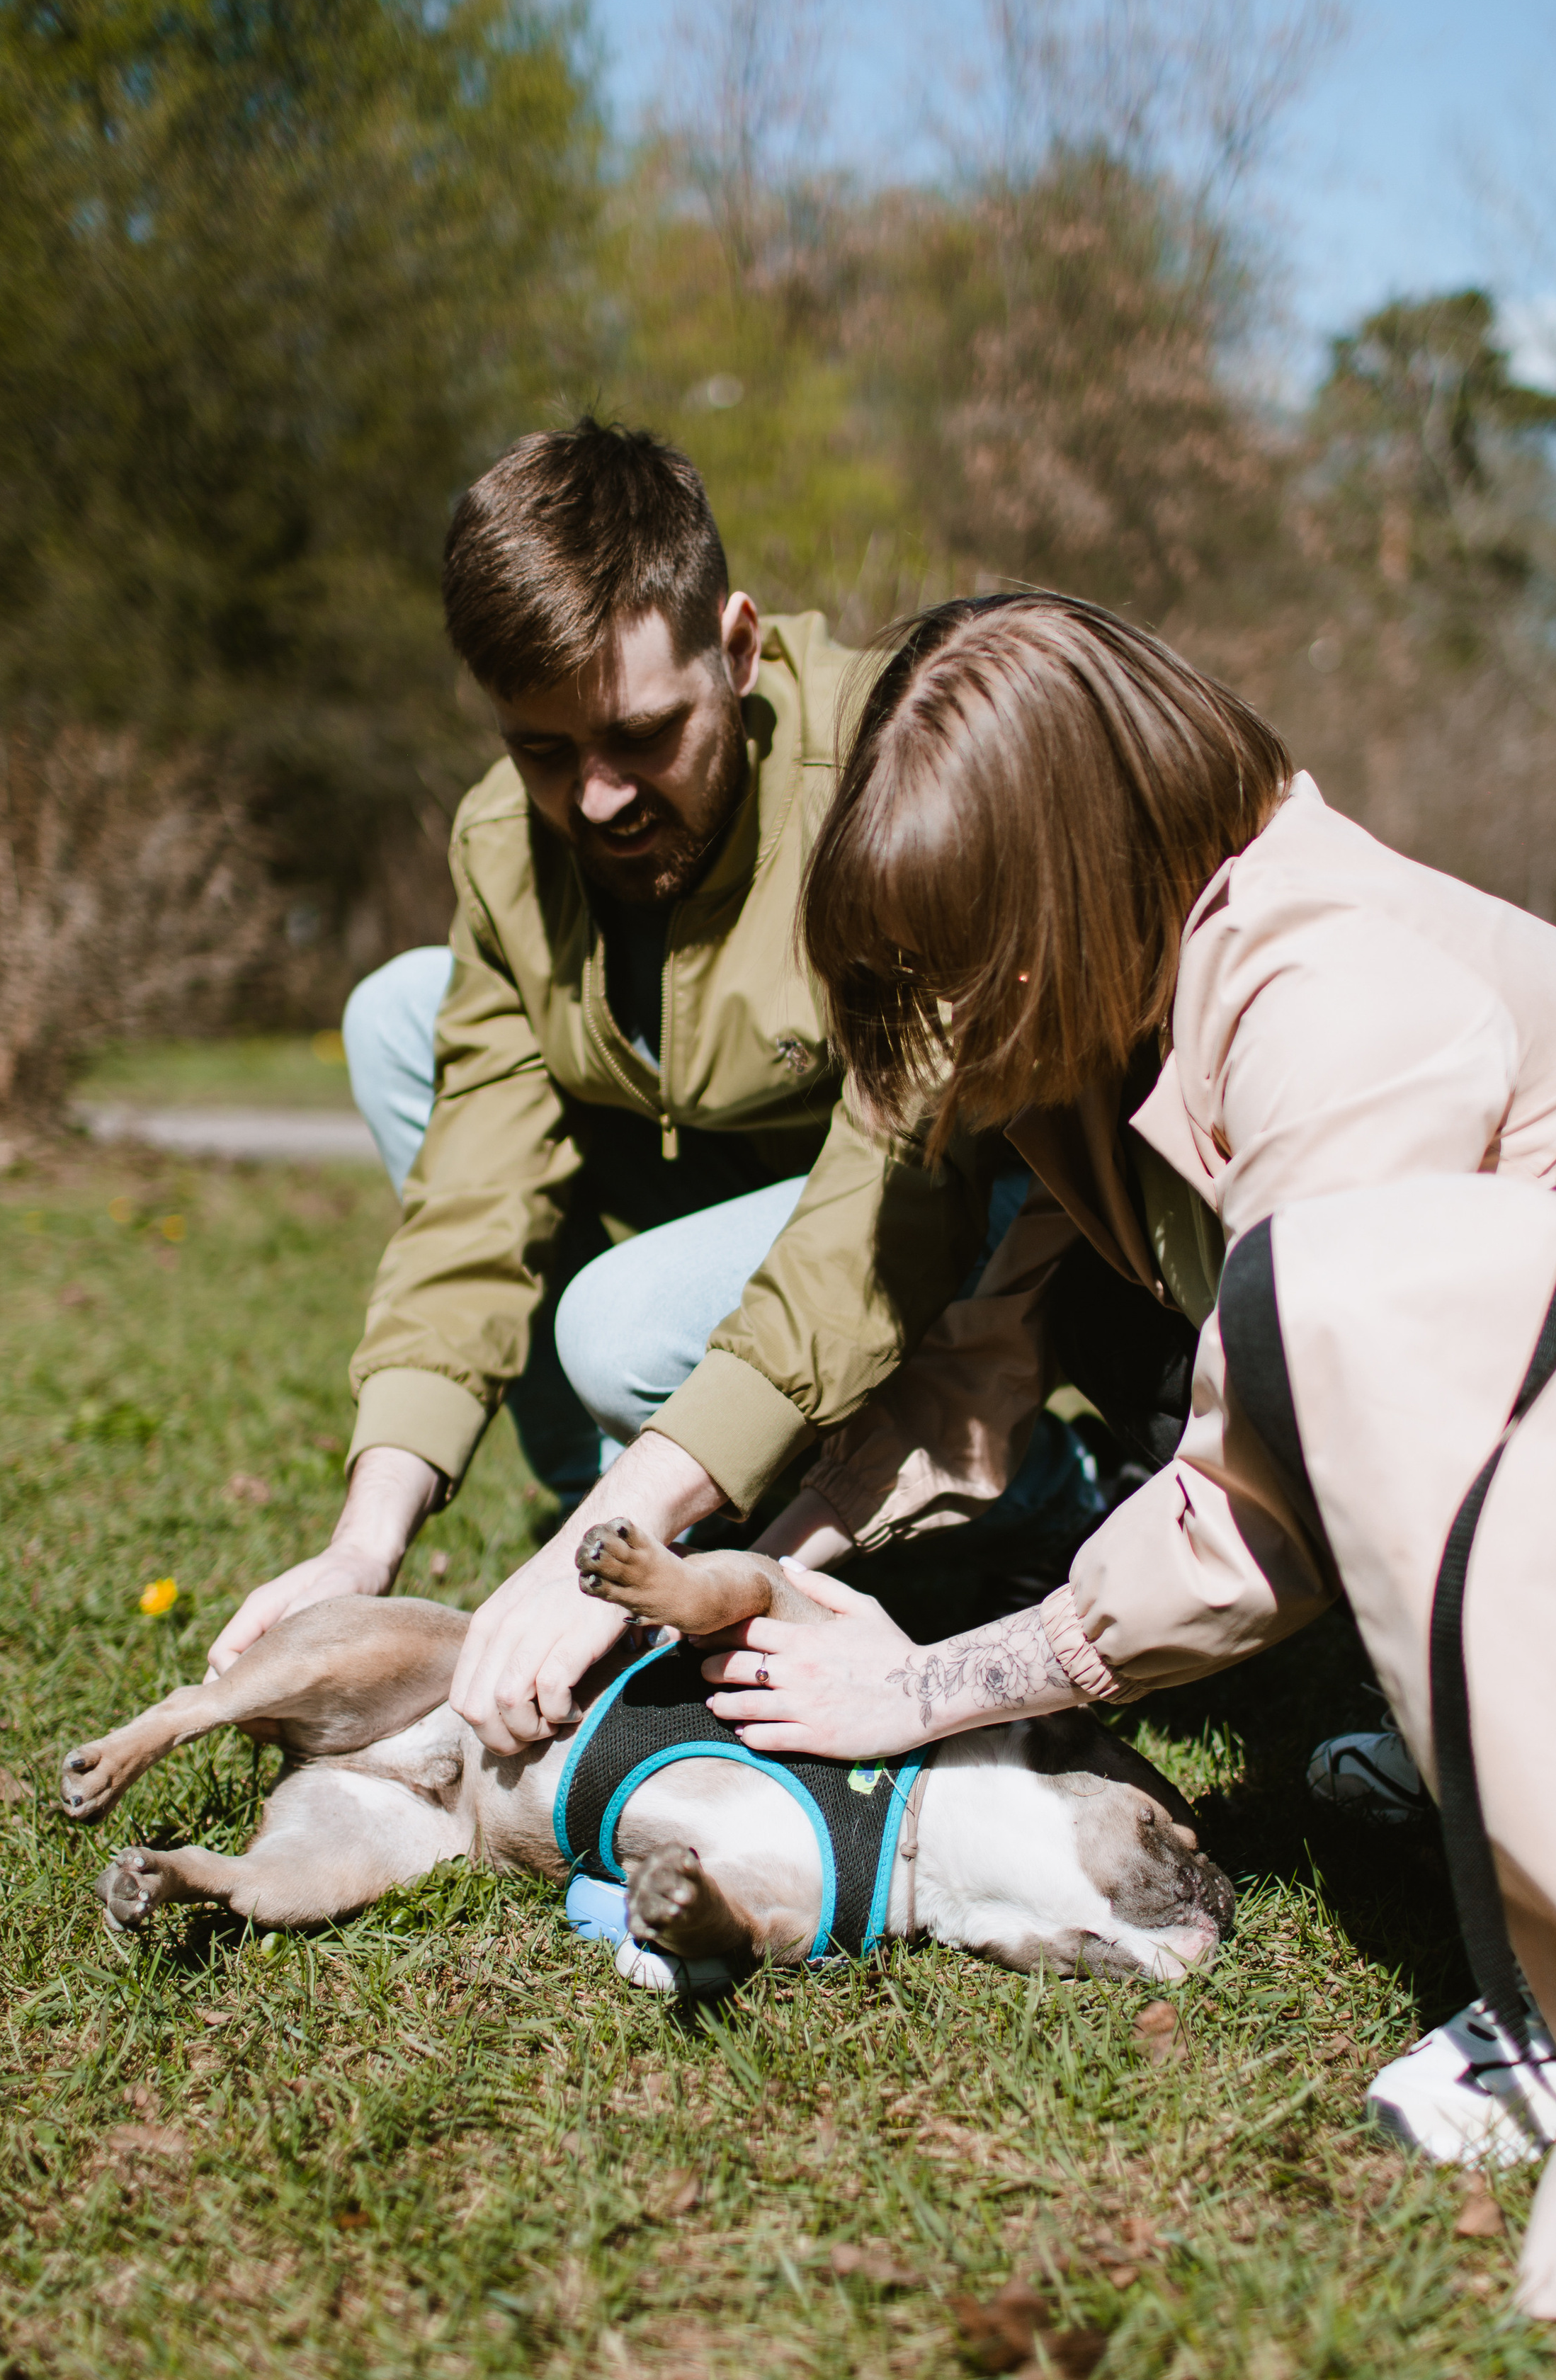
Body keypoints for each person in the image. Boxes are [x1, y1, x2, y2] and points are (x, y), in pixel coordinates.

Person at [694, 587, 1556, 2173]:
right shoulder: (1102, 1007)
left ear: (1067, 882)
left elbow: (1264, 1507)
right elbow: (966, 1373)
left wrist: (914, 1692)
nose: (943, 1021)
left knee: (1359, 1371)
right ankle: (1496, 1741)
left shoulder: (1334, 1012)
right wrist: (769, 1564)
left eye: (960, 961)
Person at [210, 424, 1086, 1737]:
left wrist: (642, 1509)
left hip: (946, 1188)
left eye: (640, 735)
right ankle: (612, 1519)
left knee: (615, 1330)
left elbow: (880, 1207)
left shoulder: (893, 778)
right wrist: (363, 1541)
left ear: (735, 650)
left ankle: (1044, 1488)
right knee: (400, 1014)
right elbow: (474, 1192)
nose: (599, 799)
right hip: (734, 1174)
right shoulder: (506, 846)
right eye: (544, 751)